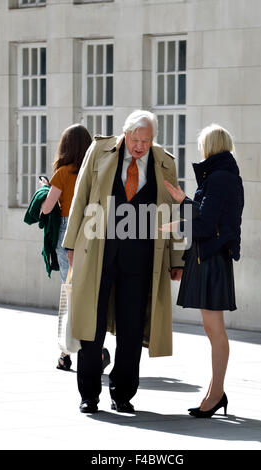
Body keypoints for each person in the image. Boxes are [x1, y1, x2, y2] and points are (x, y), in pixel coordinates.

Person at [62, 110, 184, 414]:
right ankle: (89, 393)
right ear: (125, 134)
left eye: (147, 140)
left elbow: (173, 213)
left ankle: (123, 393)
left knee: (132, 327)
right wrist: (70, 243)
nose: (140, 146)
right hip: (98, 249)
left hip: (142, 255)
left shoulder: (165, 162)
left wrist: (177, 257)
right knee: (92, 323)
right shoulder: (99, 151)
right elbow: (81, 197)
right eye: (135, 139)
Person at [162, 123, 244, 418]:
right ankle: (214, 392)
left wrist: (171, 226)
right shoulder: (222, 176)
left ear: (209, 146)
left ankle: (216, 393)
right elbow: (207, 212)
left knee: (215, 331)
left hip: (210, 260)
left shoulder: (220, 178)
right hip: (209, 259)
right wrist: (184, 199)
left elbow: (207, 224)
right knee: (213, 331)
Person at [40, 123, 111, 373]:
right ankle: (92, 347)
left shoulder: (62, 173)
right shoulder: (96, 170)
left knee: (70, 292)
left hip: (67, 231)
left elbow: (47, 208)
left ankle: (69, 353)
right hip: (92, 230)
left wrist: (45, 189)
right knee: (88, 293)